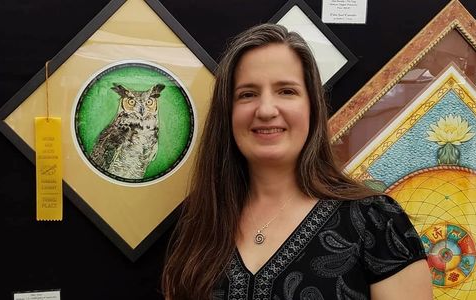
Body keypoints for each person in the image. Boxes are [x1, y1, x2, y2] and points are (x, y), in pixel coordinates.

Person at [162, 23, 432, 300]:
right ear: (227, 113)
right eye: (247, 94)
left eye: (286, 91)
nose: (266, 110)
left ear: (312, 107)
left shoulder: (375, 221)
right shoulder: (200, 226)